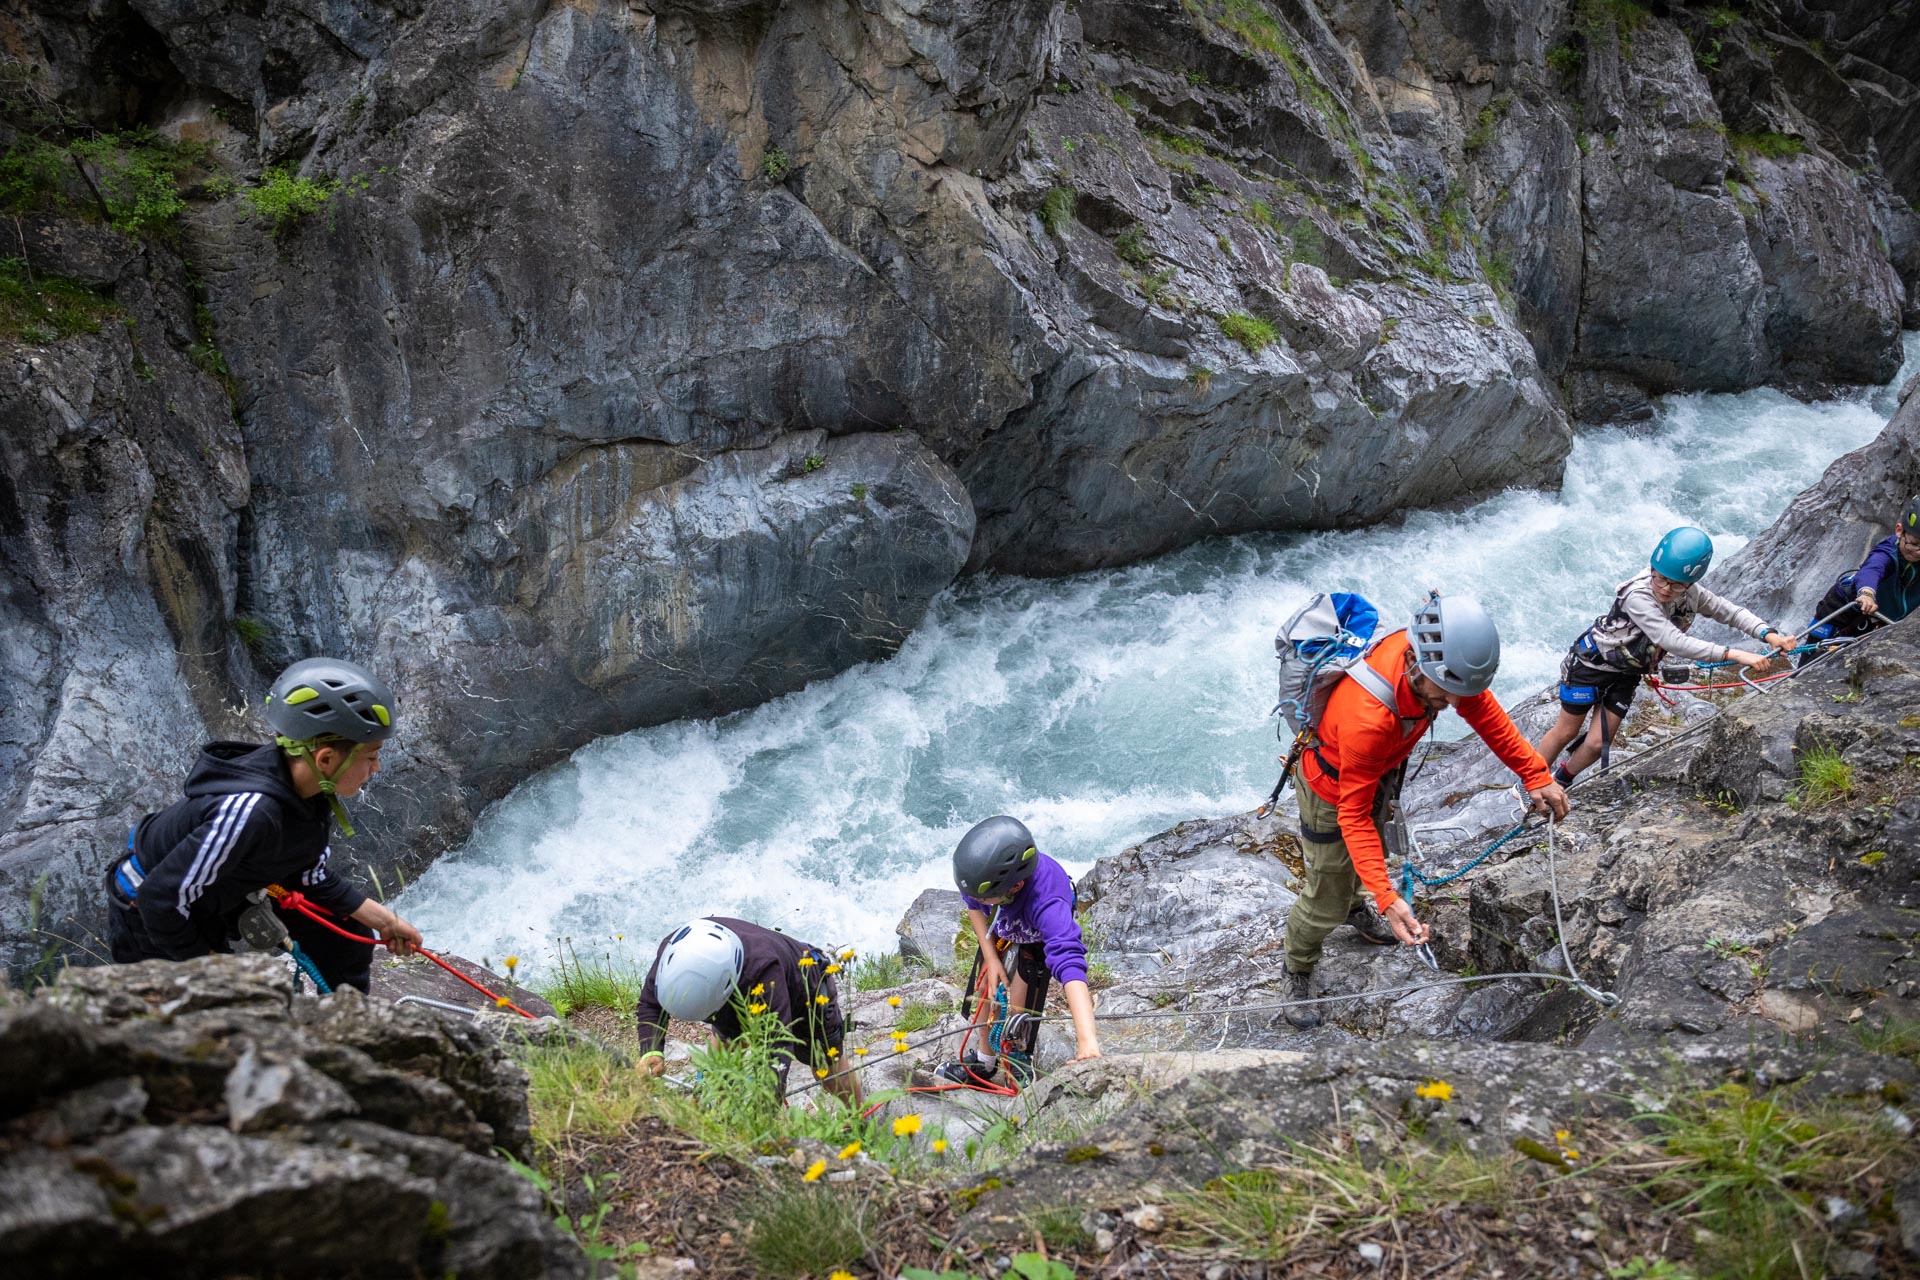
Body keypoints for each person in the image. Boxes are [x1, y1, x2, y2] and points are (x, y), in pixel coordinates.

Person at [1283, 594, 1569, 1029]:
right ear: (1418, 667)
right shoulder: (1369, 718)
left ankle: (1354, 904)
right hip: (1331, 789)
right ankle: (1297, 967)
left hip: (1378, 772)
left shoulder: (1436, 667)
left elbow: (1485, 711)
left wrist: (1535, 774)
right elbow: (1352, 816)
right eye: (1447, 695)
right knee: (1325, 892)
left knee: (1367, 851)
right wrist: (1389, 898)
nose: (1455, 704)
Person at [105, 657, 422, 992]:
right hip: (151, 918)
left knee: (345, 933)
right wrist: (211, 965)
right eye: (371, 757)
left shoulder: (308, 794)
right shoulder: (251, 810)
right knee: (213, 1019)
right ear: (325, 759)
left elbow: (309, 877)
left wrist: (386, 921)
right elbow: (161, 899)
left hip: (209, 894)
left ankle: (347, 1017)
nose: (377, 768)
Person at [1535, 527, 1794, 785]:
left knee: (1598, 744)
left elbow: (1730, 612)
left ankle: (1560, 782)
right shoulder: (1637, 595)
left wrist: (1768, 634)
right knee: (1566, 730)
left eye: (1676, 584)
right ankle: (1529, 782)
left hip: (1626, 674)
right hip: (1592, 665)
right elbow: (1671, 640)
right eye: (1660, 578)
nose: (1666, 589)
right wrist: (1735, 654)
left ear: (1690, 582)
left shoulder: (1691, 593)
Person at [940, 815, 1102, 1085]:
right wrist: (991, 958)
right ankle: (985, 1060)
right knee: (985, 988)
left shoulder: (1049, 901)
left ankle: (1017, 1056)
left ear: (1015, 885)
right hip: (1004, 928)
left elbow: (1070, 964)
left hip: (1035, 935)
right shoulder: (987, 878)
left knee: (1021, 997)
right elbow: (974, 904)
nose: (977, 900)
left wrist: (1088, 1043)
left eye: (983, 897)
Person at [633, 917, 863, 1104]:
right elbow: (650, 1004)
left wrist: (766, 1100)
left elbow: (777, 1046)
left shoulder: (764, 970)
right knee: (717, 1071)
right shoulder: (677, 950)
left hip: (805, 992)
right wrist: (651, 1051)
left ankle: (857, 1116)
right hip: (735, 991)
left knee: (828, 1071)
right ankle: (706, 1115)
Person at [1802, 496, 1920, 645]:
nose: (1918, 552)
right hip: (1843, 607)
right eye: (1914, 544)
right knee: (1814, 655)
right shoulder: (1888, 552)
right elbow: (1872, 569)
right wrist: (1866, 593)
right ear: (1899, 531)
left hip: (1883, 619)